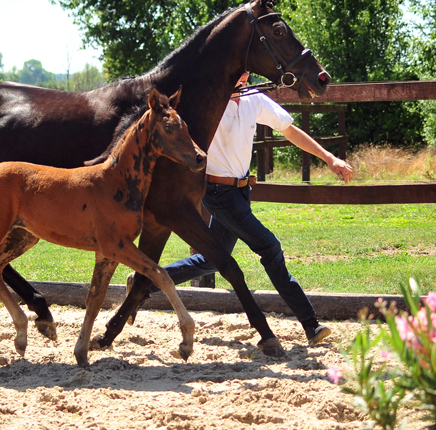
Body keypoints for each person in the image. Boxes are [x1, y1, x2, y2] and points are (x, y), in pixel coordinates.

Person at [128, 72, 354, 346]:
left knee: (211, 259)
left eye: (247, 72)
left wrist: (329, 158)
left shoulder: (254, 100)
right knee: (270, 247)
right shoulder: (211, 103)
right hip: (218, 193)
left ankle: (145, 282)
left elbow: (289, 129)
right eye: (239, 72)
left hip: (241, 191)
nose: (244, 76)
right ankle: (311, 324)